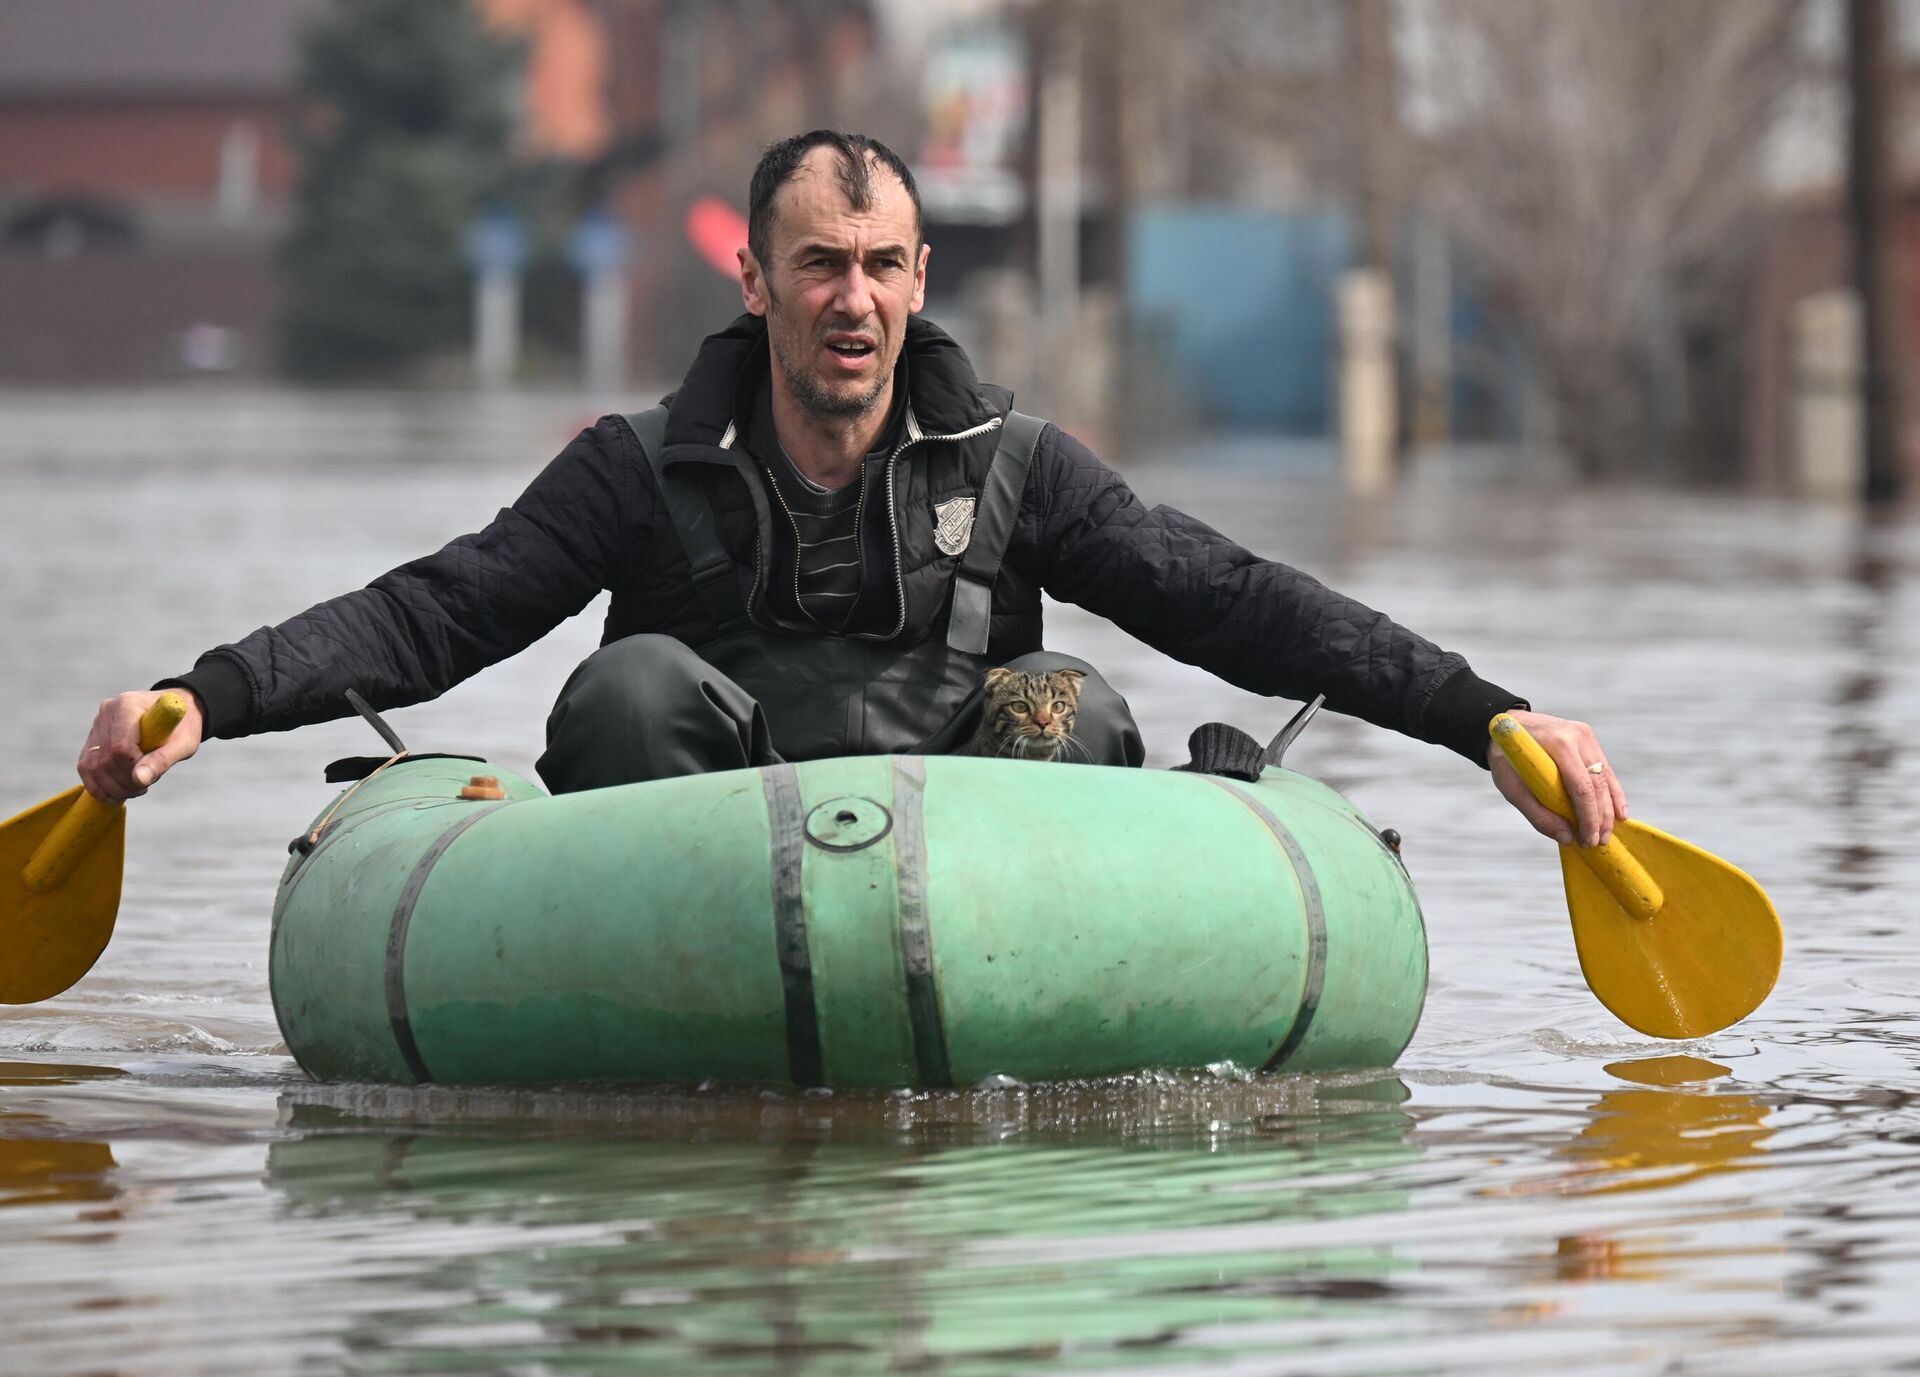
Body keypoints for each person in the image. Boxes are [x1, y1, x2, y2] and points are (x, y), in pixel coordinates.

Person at [76, 129, 1625, 849]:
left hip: (981, 879)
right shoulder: (631, 469)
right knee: (624, 691)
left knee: (1069, 702)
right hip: (679, 886)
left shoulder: (1016, 469)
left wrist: (1484, 716)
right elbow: (437, 614)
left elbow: (1237, 600)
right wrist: (207, 692)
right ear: (756, 279)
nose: (854, 298)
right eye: (819, 263)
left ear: (920, 279)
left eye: (882, 265)